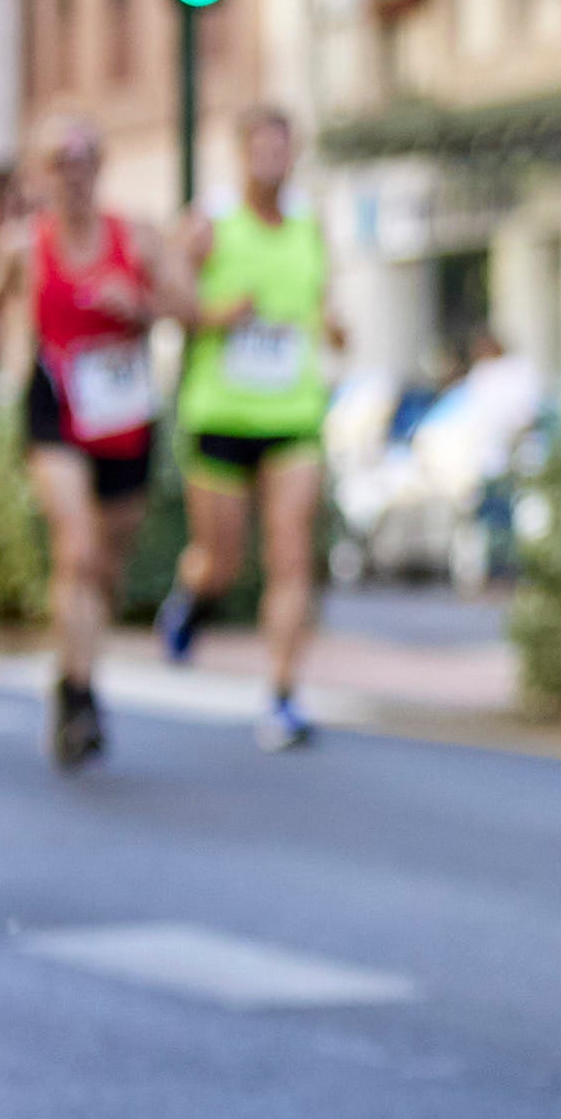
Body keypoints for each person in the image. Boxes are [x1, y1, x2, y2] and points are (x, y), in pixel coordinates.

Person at [0, 117, 162, 767]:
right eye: (58, 165)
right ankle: (77, 695)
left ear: (99, 168)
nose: (71, 177)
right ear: (42, 175)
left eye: (81, 164)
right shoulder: (22, 244)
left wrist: (140, 304)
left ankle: (78, 668)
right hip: (56, 405)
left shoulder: (136, 236)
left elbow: (186, 303)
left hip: (126, 412)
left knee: (105, 564)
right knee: (75, 549)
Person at [158, 105, 342, 753]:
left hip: (293, 416)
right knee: (223, 562)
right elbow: (169, 300)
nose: (271, 158)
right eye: (259, 146)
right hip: (222, 415)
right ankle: (193, 596)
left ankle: (284, 696)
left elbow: (323, 301)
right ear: (240, 153)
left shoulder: (310, 225)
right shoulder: (210, 223)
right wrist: (213, 312)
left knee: (291, 558)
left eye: (281, 148)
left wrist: (336, 325)